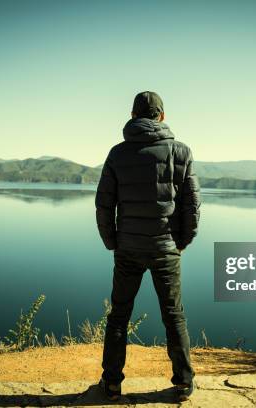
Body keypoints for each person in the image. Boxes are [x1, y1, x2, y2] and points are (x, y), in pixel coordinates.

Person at [95, 91, 200, 401]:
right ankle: (182, 382)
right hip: (166, 247)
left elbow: (104, 204)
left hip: (127, 248)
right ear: (162, 116)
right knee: (174, 316)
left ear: (133, 116)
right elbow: (191, 205)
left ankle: (112, 383)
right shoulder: (181, 152)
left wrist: (112, 240)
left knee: (119, 316)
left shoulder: (117, 154)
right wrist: (182, 241)